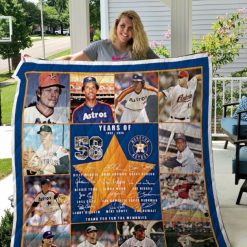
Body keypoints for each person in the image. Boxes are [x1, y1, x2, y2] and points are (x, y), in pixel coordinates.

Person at [61, 10, 159, 61]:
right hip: (106, 97)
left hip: (133, 98)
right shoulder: (100, 46)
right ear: (116, 25)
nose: (125, 31)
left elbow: (164, 66)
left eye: (131, 28)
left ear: (136, 32)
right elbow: (71, 59)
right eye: (122, 26)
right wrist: (47, 64)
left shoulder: (142, 49)